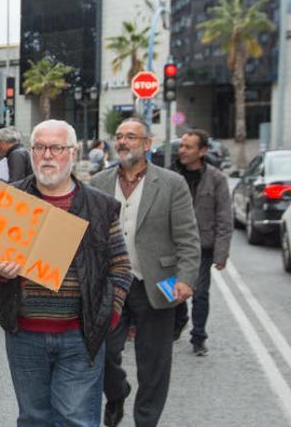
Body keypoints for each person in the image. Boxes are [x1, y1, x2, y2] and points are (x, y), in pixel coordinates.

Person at [0, 120, 132, 426]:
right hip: (24, 335)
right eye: (39, 147)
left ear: (72, 151)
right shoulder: (13, 198)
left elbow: (120, 267)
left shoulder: (100, 206)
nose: (47, 155)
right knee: (33, 419)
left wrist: (108, 316)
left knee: (77, 420)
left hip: (79, 336)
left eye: (56, 147)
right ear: (31, 152)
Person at [90, 117, 200, 427]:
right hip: (109, 283)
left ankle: (146, 421)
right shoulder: (98, 182)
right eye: (119, 136)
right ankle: (117, 392)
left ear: (147, 144)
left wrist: (186, 279)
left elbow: (187, 238)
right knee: (104, 353)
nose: (123, 142)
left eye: (131, 137)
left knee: (154, 364)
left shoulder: (171, 183)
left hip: (156, 282)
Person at [172, 129, 232, 356]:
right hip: (173, 245)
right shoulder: (172, 175)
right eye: (181, 146)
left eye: (188, 147)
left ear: (203, 151)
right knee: (172, 293)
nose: (182, 151)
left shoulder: (217, 179)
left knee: (200, 294)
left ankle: (198, 337)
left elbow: (224, 217)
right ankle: (179, 320)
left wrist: (221, 254)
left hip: (201, 247)